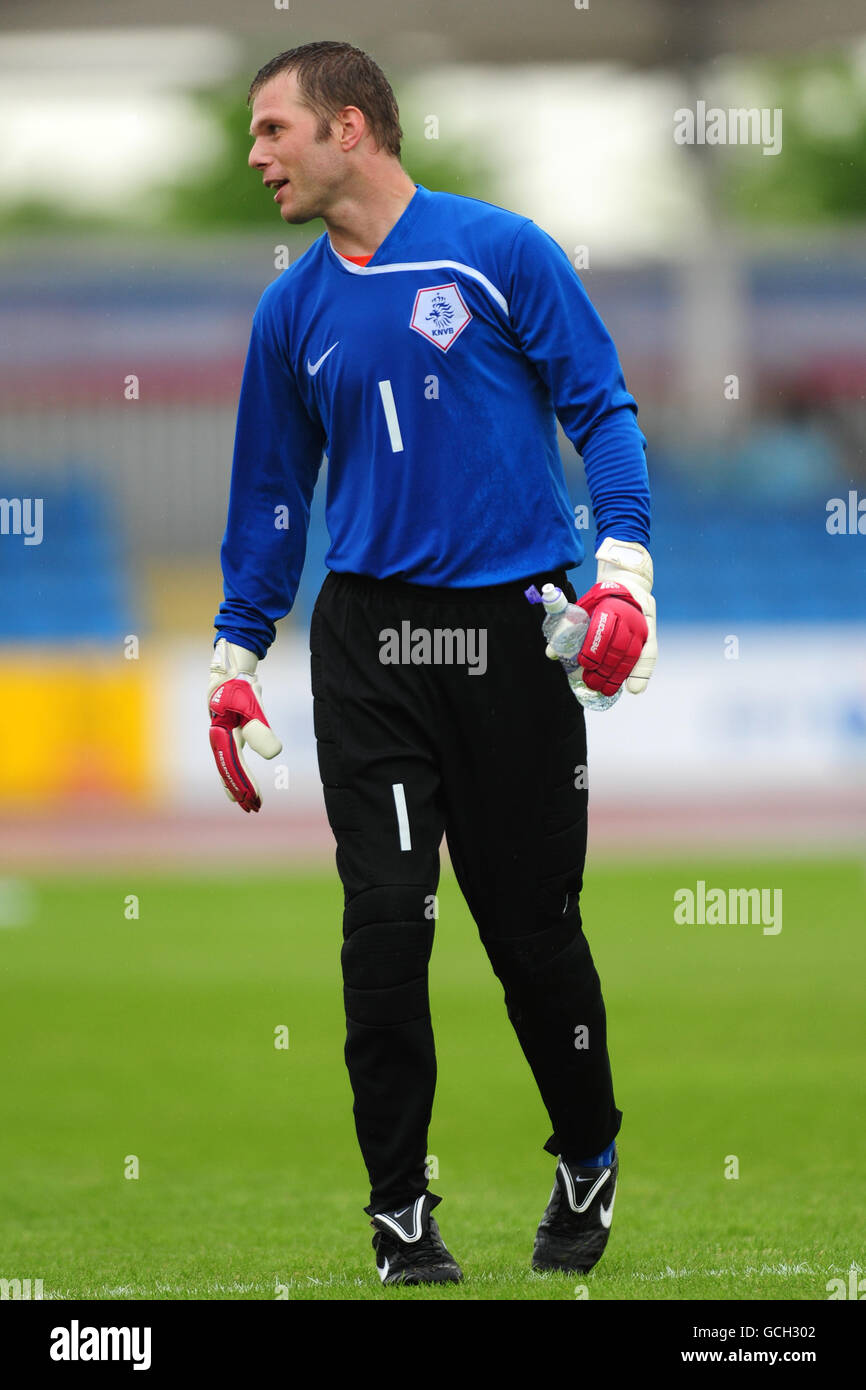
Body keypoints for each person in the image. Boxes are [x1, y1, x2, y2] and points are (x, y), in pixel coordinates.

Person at [208, 40, 656, 1287]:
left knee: (529, 933)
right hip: (370, 648)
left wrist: (621, 569)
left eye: (272, 131)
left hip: (508, 634)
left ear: (349, 127)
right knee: (384, 929)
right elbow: (270, 501)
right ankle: (400, 1213)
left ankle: (585, 1152)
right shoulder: (287, 308)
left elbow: (600, 406)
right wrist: (232, 655)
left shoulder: (503, 251)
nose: (255, 157)